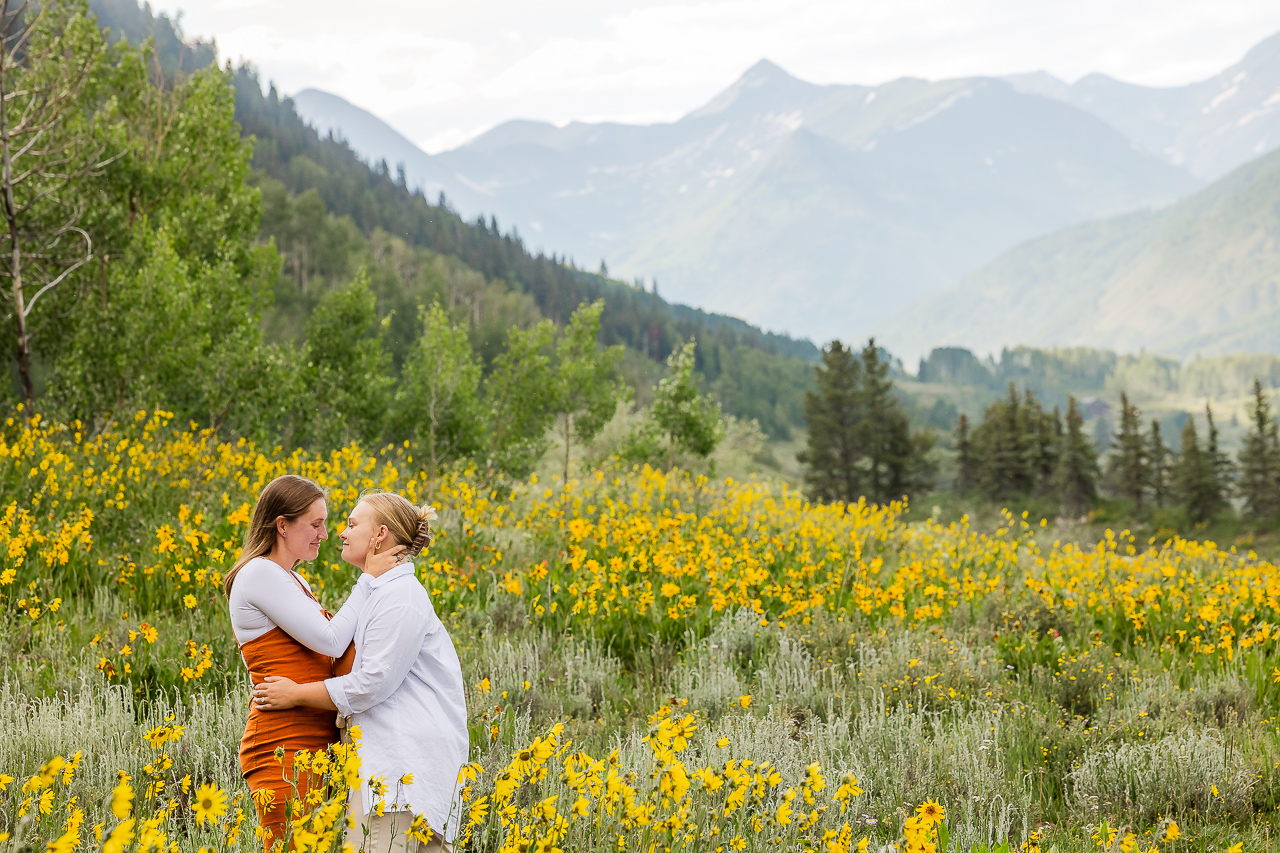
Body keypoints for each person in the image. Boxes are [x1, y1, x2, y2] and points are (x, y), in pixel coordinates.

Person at [253, 492, 468, 853]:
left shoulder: (400, 595)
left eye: (352, 524)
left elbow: (373, 682)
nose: (340, 533)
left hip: (401, 772)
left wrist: (296, 694)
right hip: (393, 771)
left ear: (379, 535)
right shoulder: (383, 592)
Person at [227, 474, 395, 851]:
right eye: (315, 524)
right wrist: (367, 580)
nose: (324, 533)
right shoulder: (259, 573)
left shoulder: (293, 580)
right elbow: (332, 640)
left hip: (316, 743)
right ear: (282, 525)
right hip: (283, 742)